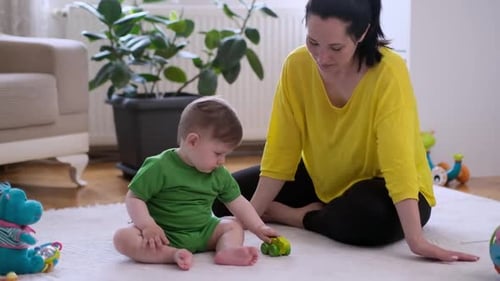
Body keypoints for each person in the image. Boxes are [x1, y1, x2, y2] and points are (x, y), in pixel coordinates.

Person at [213, 0, 479, 262]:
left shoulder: (389, 72)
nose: (321, 57)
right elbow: (282, 150)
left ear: (362, 33)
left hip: (388, 187)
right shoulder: (296, 66)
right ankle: (317, 212)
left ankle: (297, 216)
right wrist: (250, 217)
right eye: (313, 42)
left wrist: (417, 241)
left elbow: (397, 162)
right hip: (322, 178)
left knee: (367, 217)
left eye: (336, 47)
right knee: (218, 195)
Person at [113, 96, 278, 271]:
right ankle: (169, 254)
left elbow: (238, 202)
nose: (222, 161)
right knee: (123, 237)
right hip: (163, 234)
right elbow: (134, 197)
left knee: (232, 225)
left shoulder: (218, 173)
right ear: (193, 141)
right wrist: (148, 226)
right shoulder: (159, 166)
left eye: (225, 155)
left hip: (203, 232)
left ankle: (228, 250)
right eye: (218, 153)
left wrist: (258, 226)